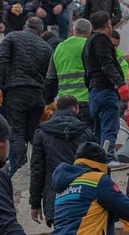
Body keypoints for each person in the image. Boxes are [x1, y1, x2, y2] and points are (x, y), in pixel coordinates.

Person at [0, 16, 53, 174]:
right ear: (41, 31)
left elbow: (1, 61)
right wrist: (47, 101)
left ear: (24, 26)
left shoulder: (12, 37)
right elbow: (50, 78)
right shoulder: (47, 48)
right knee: (33, 133)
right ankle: (45, 164)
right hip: (37, 95)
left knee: (17, 133)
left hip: (16, 91)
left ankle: (18, 171)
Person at [29, 96, 88, 225]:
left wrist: (35, 203)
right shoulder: (85, 131)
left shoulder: (41, 133)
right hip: (82, 196)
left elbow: (37, 170)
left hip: (55, 198)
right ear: (74, 108)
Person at [85, 13, 127, 156]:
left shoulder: (89, 42)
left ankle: (98, 162)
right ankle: (107, 158)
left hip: (94, 92)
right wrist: (120, 84)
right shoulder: (101, 39)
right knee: (109, 128)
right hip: (105, 91)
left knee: (99, 132)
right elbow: (106, 64)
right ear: (108, 24)